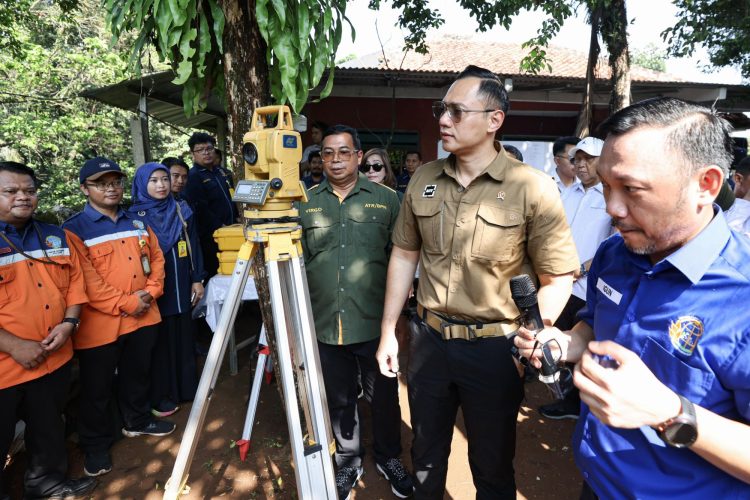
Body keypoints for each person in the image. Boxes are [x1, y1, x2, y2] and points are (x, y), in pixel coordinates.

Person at [516, 97, 750, 498]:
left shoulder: (741, 296)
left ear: (706, 185)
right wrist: (570, 341)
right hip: (597, 484)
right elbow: (599, 325)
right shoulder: (615, 253)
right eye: (606, 186)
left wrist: (672, 413)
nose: (612, 208)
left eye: (632, 189)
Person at [376, 65, 579, 498]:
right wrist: (389, 331)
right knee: (427, 456)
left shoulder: (533, 187)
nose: (443, 120)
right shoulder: (424, 179)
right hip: (428, 339)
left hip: (495, 349)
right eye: (440, 110)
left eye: (455, 111)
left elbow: (558, 276)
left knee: (491, 464)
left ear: (494, 120)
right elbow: (404, 254)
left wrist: (531, 336)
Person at [300, 125, 413, 500]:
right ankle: (348, 460)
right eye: (328, 153)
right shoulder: (306, 202)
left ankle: (389, 456)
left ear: (358, 156)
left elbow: (403, 256)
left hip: (374, 322)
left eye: (344, 152)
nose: (335, 160)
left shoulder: (387, 200)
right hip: (325, 321)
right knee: (340, 397)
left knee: (383, 394)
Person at [63, 157, 172, 479]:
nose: (111, 188)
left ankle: (137, 421)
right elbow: (85, 280)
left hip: (144, 315)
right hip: (102, 324)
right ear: (85, 189)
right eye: (101, 183)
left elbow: (157, 258)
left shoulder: (137, 220)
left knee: (137, 374)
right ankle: (95, 444)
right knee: (96, 388)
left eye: (116, 182)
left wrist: (150, 294)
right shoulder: (73, 229)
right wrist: (126, 302)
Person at [0, 162, 98, 500]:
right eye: (10, 191)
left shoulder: (55, 236)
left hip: (52, 358)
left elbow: (74, 283)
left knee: (47, 428)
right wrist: (13, 345)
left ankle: (47, 484)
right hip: (5, 368)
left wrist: (70, 323)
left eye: (28, 190)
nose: (22, 197)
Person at [539, 137, 613, 421]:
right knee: (560, 341)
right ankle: (566, 397)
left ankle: (576, 404)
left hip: (587, 286)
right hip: (560, 284)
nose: (580, 165)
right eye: (577, 159)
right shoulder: (568, 193)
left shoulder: (608, 195)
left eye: (588, 159)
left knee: (583, 344)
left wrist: (582, 268)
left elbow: (614, 240)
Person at [130, 163, 206, 417]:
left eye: (164, 179)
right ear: (142, 184)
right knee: (159, 343)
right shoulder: (133, 217)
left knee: (184, 335)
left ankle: (187, 389)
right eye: (154, 181)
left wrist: (197, 279)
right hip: (153, 290)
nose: (161, 185)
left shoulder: (181, 209)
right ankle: (163, 395)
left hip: (181, 281)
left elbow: (193, 244)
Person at [183, 132, 238, 278]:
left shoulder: (221, 172)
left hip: (232, 231)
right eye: (200, 150)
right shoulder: (194, 176)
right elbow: (201, 209)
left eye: (209, 148)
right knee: (218, 273)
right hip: (212, 237)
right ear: (192, 153)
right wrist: (220, 225)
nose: (206, 153)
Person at [550, 136, 584, 223]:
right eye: (572, 159)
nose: (578, 164)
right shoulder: (543, 185)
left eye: (580, 159)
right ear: (557, 161)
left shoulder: (586, 187)